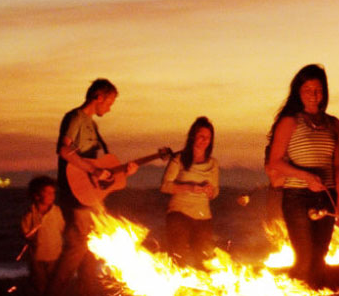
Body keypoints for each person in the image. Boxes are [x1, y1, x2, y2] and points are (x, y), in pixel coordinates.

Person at [54, 78, 140, 296]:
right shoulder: (75, 117)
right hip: (74, 194)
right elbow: (64, 151)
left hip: (89, 196)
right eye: (109, 102)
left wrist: (122, 171)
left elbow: (99, 166)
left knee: (89, 252)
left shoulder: (93, 125)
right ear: (98, 97)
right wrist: (93, 171)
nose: (110, 108)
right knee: (77, 248)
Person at [265, 65, 339, 289]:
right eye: (308, 89)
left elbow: (338, 165)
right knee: (305, 257)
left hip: (327, 196)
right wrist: (306, 176)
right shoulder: (290, 122)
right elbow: (275, 162)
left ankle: (316, 291)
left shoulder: (334, 124)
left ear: (324, 92)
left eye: (318, 89)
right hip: (298, 196)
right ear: (298, 92)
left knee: (319, 258)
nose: (313, 95)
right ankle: (294, 290)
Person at [160, 116, 219, 266]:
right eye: (201, 136)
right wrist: (190, 187)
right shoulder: (179, 159)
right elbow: (165, 186)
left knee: (205, 261)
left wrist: (210, 191)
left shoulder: (213, 164)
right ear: (193, 136)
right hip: (180, 215)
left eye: (208, 138)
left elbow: (215, 191)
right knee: (179, 259)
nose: (204, 140)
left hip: (203, 218)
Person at [20, 176, 64, 296]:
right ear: (37, 196)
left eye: (53, 193)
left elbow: (62, 229)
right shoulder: (30, 213)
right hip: (37, 257)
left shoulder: (57, 211)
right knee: (39, 285)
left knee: (55, 286)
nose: (52, 196)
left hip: (55, 255)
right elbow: (25, 232)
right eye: (48, 193)